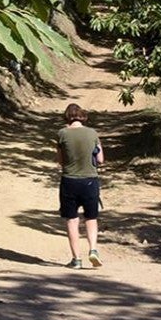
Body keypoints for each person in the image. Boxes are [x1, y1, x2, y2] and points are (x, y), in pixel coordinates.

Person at [55, 103, 104, 269]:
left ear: (67, 117)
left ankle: (76, 259)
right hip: (90, 181)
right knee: (91, 218)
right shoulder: (92, 133)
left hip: (69, 181)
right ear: (83, 116)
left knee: (72, 220)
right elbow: (100, 160)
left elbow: (61, 161)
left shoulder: (62, 134)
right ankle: (93, 250)